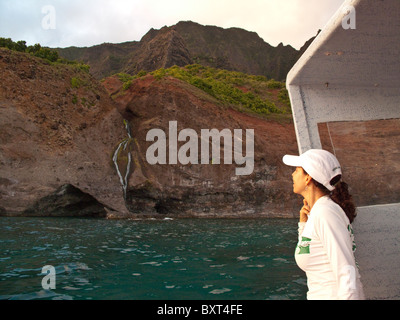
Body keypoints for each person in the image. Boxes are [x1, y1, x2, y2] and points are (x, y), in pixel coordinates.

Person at [283, 149, 364, 300]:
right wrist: (303, 224)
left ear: (308, 178)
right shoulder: (320, 211)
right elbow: (311, 250)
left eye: (296, 170)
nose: (292, 174)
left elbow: (346, 270)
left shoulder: (325, 213)